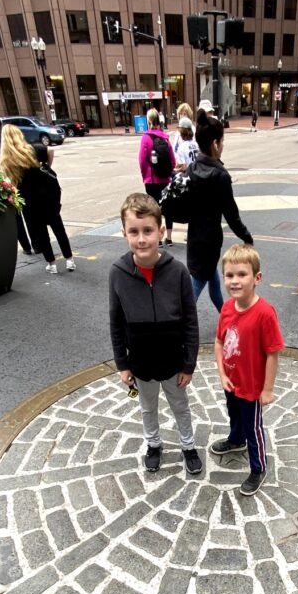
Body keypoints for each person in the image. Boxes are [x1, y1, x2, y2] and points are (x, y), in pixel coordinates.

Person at [109, 193, 201, 475]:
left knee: (180, 407)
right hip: (141, 363)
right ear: (124, 234)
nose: (141, 239)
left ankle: (188, 445)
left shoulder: (178, 272)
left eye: (148, 231)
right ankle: (154, 444)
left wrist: (189, 363)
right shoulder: (118, 273)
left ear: (161, 231)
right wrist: (122, 364)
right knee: (148, 408)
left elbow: (190, 321)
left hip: (173, 362)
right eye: (134, 232)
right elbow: (115, 321)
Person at [210, 243, 284, 496]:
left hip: (252, 387)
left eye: (242, 274)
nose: (235, 281)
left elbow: (273, 353)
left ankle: (258, 467)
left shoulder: (264, 314)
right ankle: (235, 440)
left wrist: (268, 389)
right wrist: (222, 373)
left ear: (256, 278)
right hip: (231, 380)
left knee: (254, 428)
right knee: (234, 414)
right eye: (229, 275)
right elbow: (219, 342)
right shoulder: (227, 308)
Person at [186, 109, 253, 311]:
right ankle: (179, 330)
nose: (223, 146)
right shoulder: (220, 175)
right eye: (222, 141)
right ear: (215, 143)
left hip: (195, 237)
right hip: (210, 240)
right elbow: (231, 215)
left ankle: (224, 314)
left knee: (212, 278)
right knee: (194, 290)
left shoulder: (193, 168)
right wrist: (247, 237)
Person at [0, 124, 73, 274]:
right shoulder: (34, 149)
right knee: (58, 228)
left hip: (29, 201)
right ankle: (69, 260)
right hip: (47, 196)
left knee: (42, 233)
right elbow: (50, 151)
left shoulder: (6, 160)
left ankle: (52, 264)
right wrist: (46, 166)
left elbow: (8, 181)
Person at [0, 115, 34, 254]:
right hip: (21, 179)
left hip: (3, 182)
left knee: (16, 216)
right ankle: (37, 243)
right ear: (0, 125)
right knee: (29, 213)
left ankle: (26, 246)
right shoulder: (11, 140)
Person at [138, 108, 175, 246]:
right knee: (168, 207)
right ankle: (169, 238)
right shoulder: (165, 138)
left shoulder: (146, 138)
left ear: (148, 121)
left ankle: (158, 239)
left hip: (152, 180)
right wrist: (167, 172)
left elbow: (142, 161)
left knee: (154, 210)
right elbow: (173, 161)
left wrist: (145, 176)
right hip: (165, 179)